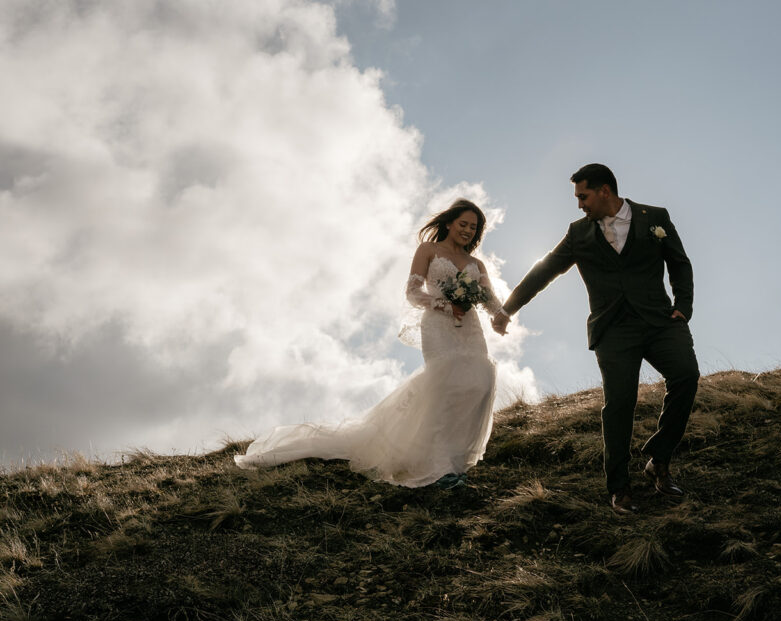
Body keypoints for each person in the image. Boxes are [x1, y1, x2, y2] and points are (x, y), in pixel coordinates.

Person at [236, 199, 502, 488]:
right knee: (445, 386)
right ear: (449, 223)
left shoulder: (477, 264)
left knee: (478, 383)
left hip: (470, 330)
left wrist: (500, 316)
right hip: (438, 325)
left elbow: (488, 297)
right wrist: (444, 305)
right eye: (463, 224)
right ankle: (438, 468)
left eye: (473, 228)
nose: (467, 230)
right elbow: (413, 292)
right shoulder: (429, 251)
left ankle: (454, 458)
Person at [492, 164, 699, 513]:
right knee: (619, 404)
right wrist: (508, 309)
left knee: (687, 377)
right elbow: (543, 271)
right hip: (613, 330)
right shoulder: (578, 234)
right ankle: (619, 488)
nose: (579, 205)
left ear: (605, 191)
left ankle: (658, 459)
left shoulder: (655, 218)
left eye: (583, 196)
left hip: (661, 322)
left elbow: (679, 263)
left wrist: (683, 305)